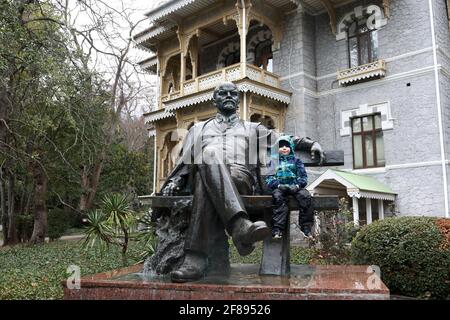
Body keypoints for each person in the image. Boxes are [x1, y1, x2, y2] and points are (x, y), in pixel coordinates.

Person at [161, 82, 325, 283]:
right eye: (223, 93)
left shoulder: (252, 128)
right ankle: (239, 226)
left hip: (240, 179)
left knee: (205, 179)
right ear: (215, 99)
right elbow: (184, 164)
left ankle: (195, 258)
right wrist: (176, 181)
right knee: (209, 157)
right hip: (204, 174)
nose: (228, 96)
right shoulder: (197, 129)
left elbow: (282, 139)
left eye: (233, 93)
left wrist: (310, 143)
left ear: (238, 100)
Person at [265, 135, 314, 240]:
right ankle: (277, 228)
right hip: (280, 187)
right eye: (281, 146)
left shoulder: (297, 161)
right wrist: (278, 185)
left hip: (294, 186)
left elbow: (303, 177)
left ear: (291, 148)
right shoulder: (273, 162)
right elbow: (269, 178)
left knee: (305, 196)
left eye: (286, 146)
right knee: (278, 198)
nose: (284, 148)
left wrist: (297, 185)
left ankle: (306, 226)